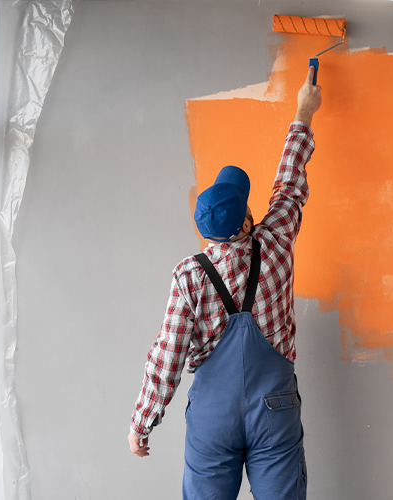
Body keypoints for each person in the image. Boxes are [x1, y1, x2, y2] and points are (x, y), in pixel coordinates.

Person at [128, 67, 322, 500]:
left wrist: (143, 421)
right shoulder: (274, 244)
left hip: (213, 420)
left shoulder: (190, 275)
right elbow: (289, 187)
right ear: (246, 223)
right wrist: (303, 111)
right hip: (274, 409)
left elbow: (169, 353)